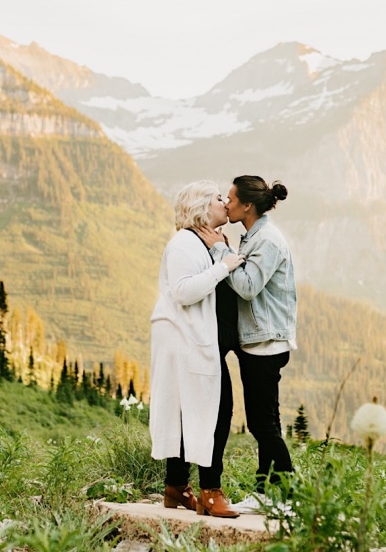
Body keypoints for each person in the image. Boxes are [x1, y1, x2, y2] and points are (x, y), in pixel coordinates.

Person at [149, 180, 244, 518]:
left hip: (198, 339)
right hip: (186, 340)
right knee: (215, 409)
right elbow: (183, 292)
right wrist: (224, 266)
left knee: (189, 408)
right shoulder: (183, 244)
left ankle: (176, 486)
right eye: (219, 198)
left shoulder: (204, 243)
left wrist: (222, 254)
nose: (225, 203)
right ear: (203, 207)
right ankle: (210, 491)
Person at [199, 175, 297, 497]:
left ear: (247, 205)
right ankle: (267, 492)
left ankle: (289, 493)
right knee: (269, 421)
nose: (226, 204)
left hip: (265, 345)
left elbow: (247, 286)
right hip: (258, 341)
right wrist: (227, 251)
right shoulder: (254, 235)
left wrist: (219, 251)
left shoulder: (267, 240)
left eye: (230, 199)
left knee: (260, 424)